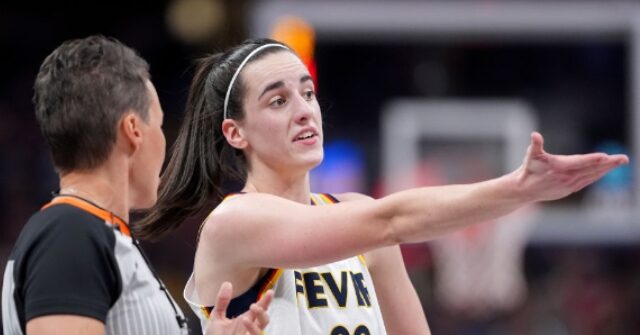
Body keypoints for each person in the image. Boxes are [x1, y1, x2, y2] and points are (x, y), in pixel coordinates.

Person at [136, 38, 629, 334]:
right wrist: (517, 189)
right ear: (234, 132)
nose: (305, 109)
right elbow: (393, 220)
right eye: (278, 101)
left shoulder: (356, 219)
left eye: (307, 92)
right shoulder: (234, 223)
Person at [1, 35, 272, 335]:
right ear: (133, 130)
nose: (163, 141)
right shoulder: (70, 233)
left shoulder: (87, 232)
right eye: (157, 124)